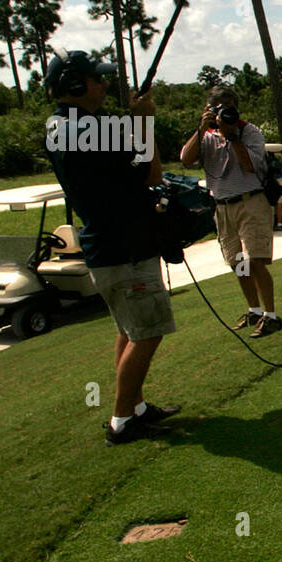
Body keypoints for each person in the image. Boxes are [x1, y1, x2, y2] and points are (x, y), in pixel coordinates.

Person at [43, 48, 181, 446]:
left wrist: (132, 123)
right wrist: (145, 125)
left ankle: (134, 406)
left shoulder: (62, 124)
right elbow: (151, 174)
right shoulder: (88, 129)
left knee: (129, 328)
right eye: (96, 79)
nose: (104, 84)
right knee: (148, 332)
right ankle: (123, 420)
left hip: (108, 246)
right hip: (124, 247)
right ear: (74, 84)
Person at [180, 86, 281, 338]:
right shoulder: (206, 136)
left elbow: (250, 165)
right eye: (218, 108)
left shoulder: (250, 132)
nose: (223, 113)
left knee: (255, 260)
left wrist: (232, 135)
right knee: (238, 263)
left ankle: (271, 315)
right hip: (223, 206)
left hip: (250, 202)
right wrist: (202, 129)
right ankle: (254, 310)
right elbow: (186, 158)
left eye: (228, 108)